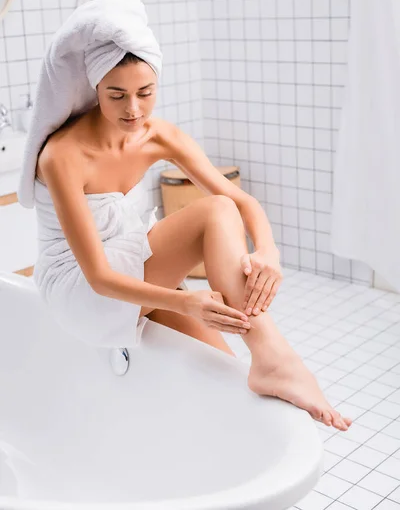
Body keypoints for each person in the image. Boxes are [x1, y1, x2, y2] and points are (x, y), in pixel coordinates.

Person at [35, 49, 352, 432]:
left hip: (131, 270)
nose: (133, 108)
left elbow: (243, 201)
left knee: (225, 372)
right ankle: (277, 358)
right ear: (95, 89)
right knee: (214, 211)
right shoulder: (62, 155)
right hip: (82, 288)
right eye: (116, 95)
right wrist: (186, 302)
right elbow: (99, 277)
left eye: (146, 92)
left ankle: (230, 452)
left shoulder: (157, 135)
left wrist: (269, 251)